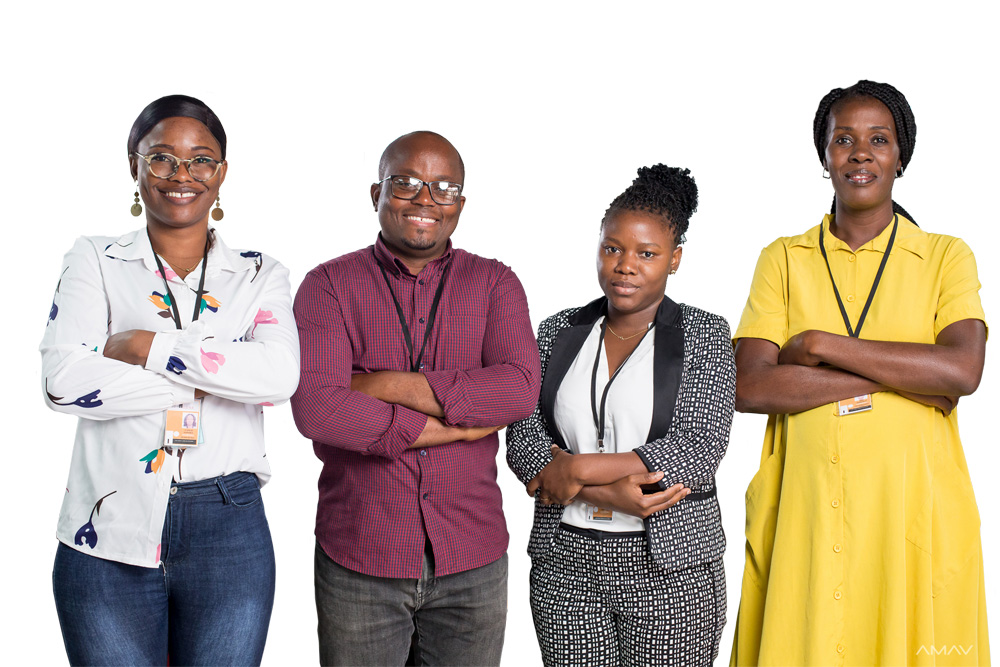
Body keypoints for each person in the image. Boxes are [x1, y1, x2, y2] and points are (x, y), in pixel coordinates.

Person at [729, 80, 989, 666]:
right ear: (824, 157)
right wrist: (913, 380)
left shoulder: (946, 256)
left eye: (879, 139)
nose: (860, 153)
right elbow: (750, 385)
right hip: (805, 515)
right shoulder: (783, 258)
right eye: (843, 139)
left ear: (901, 156)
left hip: (911, 516)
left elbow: (962, 369)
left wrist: (818, 345)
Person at [41, 94, 300, 666]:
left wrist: (145, 348)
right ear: (134, 167)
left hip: (228, 523)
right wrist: (218, 375)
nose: (182, 175)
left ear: (221, 173)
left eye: (201, 160)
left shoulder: (260, 274)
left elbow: (279, 376)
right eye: (161, 158)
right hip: (106, 523)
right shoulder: (94, 259)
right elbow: (64, 380)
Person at [291, 131, 541, 666]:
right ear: (376, 193)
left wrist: (379, 385)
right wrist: (458, 422)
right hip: (361, 556)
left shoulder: (495, 283)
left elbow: (521, 389)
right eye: (405, 183)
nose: (425, 199)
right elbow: (318, 408)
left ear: (460, 204)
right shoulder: (328, 285)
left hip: (471, 558)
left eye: (443, 188)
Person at [506, 164, 734, 666]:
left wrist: (577, 469)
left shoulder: (705, 334)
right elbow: (522, 435)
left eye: (646, 254)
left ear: (675, 259)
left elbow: (698, 447)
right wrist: (599, 493)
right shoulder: (557, 332)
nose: (625, 265)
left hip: (671, 571)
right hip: (565, 565)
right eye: (612, 248)